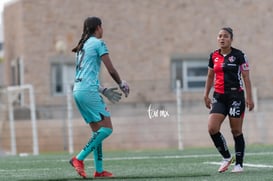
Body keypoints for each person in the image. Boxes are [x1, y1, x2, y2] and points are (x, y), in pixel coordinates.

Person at [69, 16, 130, 179]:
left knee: (97, 131)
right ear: (98, 27)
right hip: (88, 91)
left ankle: (99, 170)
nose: (103, 30)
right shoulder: (98, 43)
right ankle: (78, 158)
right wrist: (121, 83)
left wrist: (103, 90)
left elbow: (86, 74)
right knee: (107, 129)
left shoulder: (82, 46)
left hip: (79, 90)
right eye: (102, 27)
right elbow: (111, 69)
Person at [203, 27, 254, 173]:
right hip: (219, 97)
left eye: (225, 36)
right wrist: (206, 95)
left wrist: (249, 98)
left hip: (235, 97)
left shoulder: (239, 55)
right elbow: (210, 76)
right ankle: (226, 157)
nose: (222, 38)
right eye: (219, 36)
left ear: (231, 39)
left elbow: (246, 77)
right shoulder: (213, 56)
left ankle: (239, 164)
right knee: (212, 128)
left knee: (236, 130)